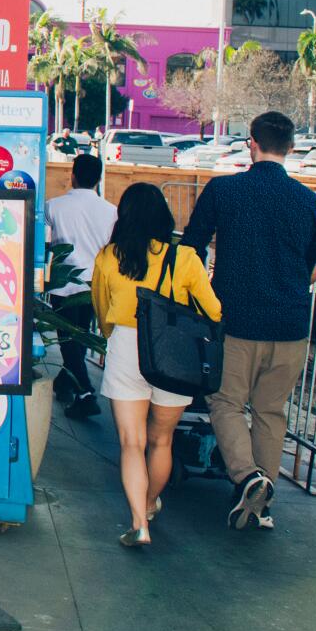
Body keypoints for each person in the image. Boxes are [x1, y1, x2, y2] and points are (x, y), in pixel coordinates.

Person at [180, 110, 316, 532]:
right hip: (291, 326)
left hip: (236, 322)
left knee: (226, 402)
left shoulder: (224, 190)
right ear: (291, 148)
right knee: (270, 411)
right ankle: (261, 504)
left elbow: (191, 249)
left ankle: (248, 476)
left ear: (252, 143)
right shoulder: (310, 201)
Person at [90, 182, 223, 548]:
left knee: (131, 442)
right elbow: (213, 311)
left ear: (124, 216)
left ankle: (138, 524)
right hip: (174, 353)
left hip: (126, 347)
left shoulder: (110, 256)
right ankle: (150, 503)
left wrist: (111, 334)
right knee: (161, 441)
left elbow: (101, 307)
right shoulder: (185, 258)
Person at [44, 154, 118, 419]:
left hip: (63, 280)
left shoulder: (54, 206)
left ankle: (86, 393)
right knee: (81, 335)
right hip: (94, 283)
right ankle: (66, 381)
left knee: (67, 339)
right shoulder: (111, 211)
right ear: (98, 178)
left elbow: (45, 240)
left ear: (73, 175)